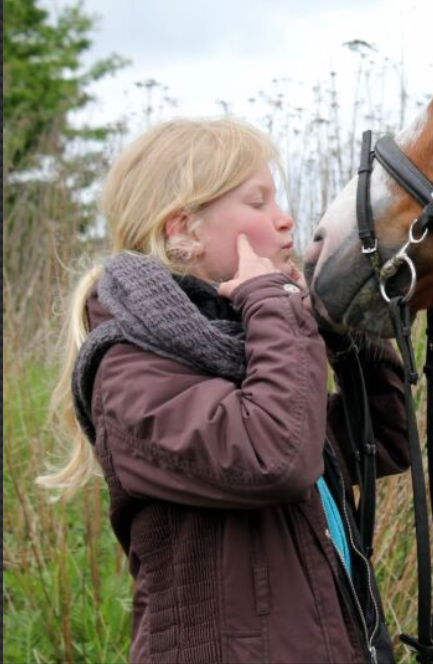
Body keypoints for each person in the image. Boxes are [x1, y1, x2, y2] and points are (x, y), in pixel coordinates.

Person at [37, 118, 408, 664]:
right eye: (257, 203)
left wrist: (349, 326)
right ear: (182, 230)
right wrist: (276, 305)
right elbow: (273, 457)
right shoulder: (127, 372)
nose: (284, 220)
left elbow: (386, 438)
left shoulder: (248, 344)